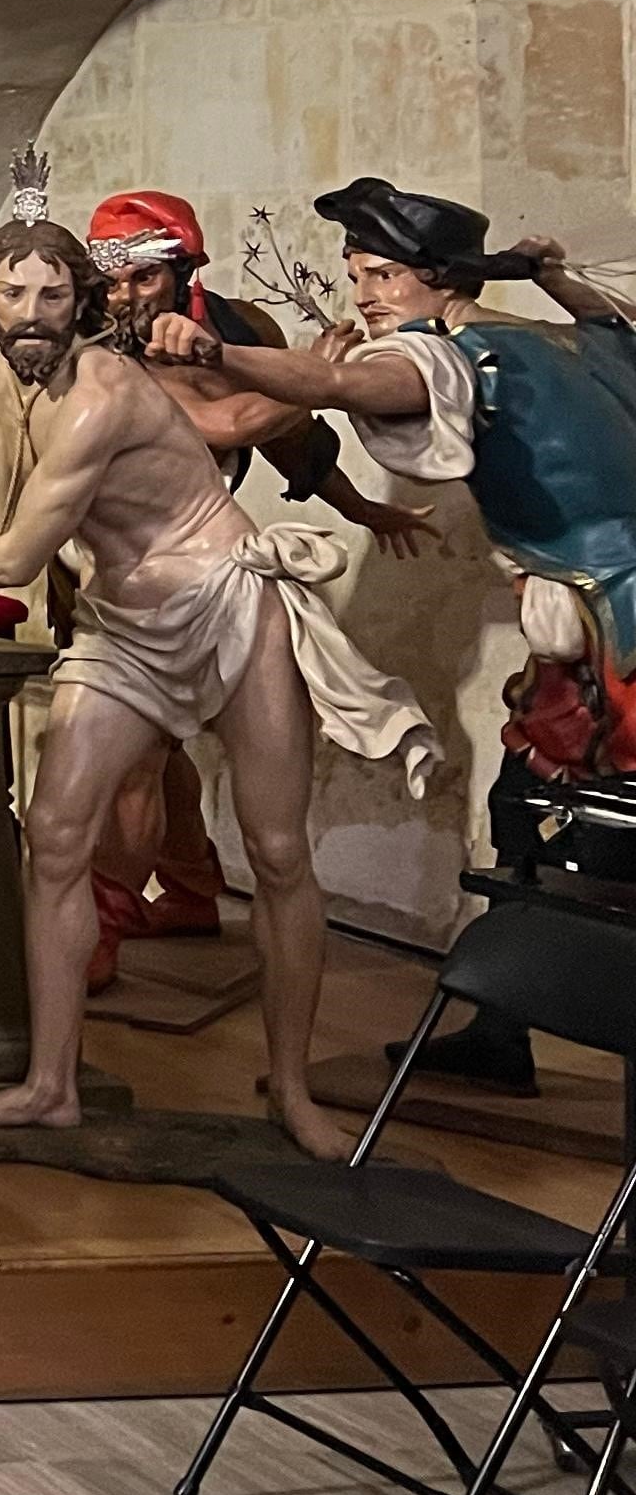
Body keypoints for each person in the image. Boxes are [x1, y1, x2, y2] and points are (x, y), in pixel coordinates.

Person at [0, 215, 432, 1160]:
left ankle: (293, 1093)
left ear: (81, 300)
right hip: (123, 628)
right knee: (55, 835)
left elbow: (15, 555)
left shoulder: (99, 394)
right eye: (14, 293)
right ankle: (50, 1085)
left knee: (278, 849)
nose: (32, 313)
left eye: (53, 294)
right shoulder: (9, 391)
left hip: (227, 603)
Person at [166, 177, 636, 1090]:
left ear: (438, 279)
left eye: (381, 275)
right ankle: (503, 1028)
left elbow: (345, 383)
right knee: (524, 802)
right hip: (588, 622)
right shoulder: (567, 338)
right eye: (358, 276)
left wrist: (222, 352)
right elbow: (624, 330)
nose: (365, 296)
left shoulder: (455, 355)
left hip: (617, 625)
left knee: (587, 822)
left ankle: (523, 1025)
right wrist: (555, 281)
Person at [80, 189, 435, 985]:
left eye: (143, 279)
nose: (126, 297)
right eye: (114, 281)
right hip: (118, 560)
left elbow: (291, 440)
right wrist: (319, 380)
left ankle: (191, 885)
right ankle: (103, 925)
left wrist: (362, 508)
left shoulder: (241, 332)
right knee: (137, 756)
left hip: (210, 561)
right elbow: (230, 424)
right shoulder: (100, 351)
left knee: (176, 748)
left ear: (182, 271)